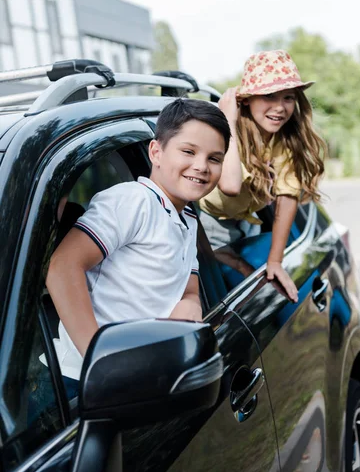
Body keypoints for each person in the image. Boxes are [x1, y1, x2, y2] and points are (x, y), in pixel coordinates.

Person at [44, 98, 231, 389]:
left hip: (142, 372)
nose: (201, 166)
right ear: (156, 152)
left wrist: (189, 306)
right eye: (188, 151)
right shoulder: (134, 200)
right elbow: (62, 266)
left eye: (214, 158)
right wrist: (99, 361)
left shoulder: (187, 219)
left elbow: (190, 287)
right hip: (83, 378)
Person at [198, 50, 326, 303]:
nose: (280, 108)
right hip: (206, 225)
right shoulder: (227, 132)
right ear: (246, 100)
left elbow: (287, 195)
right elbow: (231, 185)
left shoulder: (283, 141)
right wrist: (228, 121)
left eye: (288, 98)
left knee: (265, 292)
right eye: (269, 96)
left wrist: (275, 262)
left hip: (243, 222)